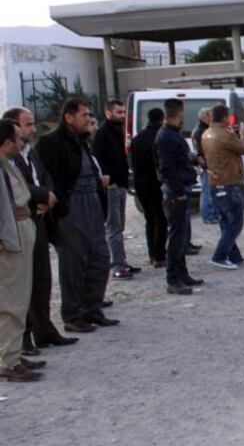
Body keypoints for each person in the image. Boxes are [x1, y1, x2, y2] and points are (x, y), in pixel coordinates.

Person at [36, 99, 118, 332]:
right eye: (84, 115)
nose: (88, 119)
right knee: (74, 262)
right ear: (69, 118)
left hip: (91, 204)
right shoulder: (50, 142)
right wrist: (61, 205)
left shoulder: (81, 142)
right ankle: (72, 315)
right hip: (71, 209)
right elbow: (50, 177)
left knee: (99, 258)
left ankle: (93, 308)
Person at [1, 107, 76, 353]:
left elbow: (43, 176)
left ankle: (44, 330)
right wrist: (42, 195)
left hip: (38, 219)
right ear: (13, 127)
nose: (33, 129)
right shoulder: (7, 158)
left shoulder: (30, 152)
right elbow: (16, 187)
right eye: (28, 124)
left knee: (42, 278)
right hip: (20, 221)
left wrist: (49, 193)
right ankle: (22, 339)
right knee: (23, 284)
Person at [0, 120, 46, 382]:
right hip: (10, 236)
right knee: (11, 300)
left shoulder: (9, 164)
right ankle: (8, 361)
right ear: (7, 142)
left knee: (20, 295)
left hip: (20, 228)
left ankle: (13, 353)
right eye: (17, 138)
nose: (22, 142)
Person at [156, 98, 203, 295]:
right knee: (176, 238)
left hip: (181, 188)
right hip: (176, 192)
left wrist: (194, 159)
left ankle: (182, 274)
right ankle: (173, 279)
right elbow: (167, 168)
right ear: (179, 113)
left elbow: (180, 158)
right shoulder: (166, 136)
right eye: (183, 112)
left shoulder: (172, 134)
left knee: (182, 236)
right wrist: (177, 192)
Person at [91, 100, 139, 280]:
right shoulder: (102, 134)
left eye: (124, 112)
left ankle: (122, 261)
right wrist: (108, 181)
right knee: (114, 227)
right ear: (108, 113)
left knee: (120, 226)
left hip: (120, 184)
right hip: (111, 187)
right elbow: (98, 160)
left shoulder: (118, 132)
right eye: (119, 112)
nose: (123, 115)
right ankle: (117, 265)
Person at [202, 104, 244, 270]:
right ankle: (219, 255)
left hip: (216, 183)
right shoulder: (223, 134)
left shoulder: (206, 133)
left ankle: (233, 255)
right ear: (224, 118)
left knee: (225, 221)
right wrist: (243, 135)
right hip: (229, 183)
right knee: (235, 222)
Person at [131, 107, 168, 268]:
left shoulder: (138, 138)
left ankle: (152, 254)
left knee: (149, 219)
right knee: (160, 218)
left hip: (140, 182)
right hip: (155, 183)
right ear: (162, 118)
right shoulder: (160, 136)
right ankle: (160, 255)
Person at [192, 107, 219, 225]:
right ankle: (207, 215)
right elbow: (200, 150)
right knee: (206, 190)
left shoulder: (204, 129)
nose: (211, 118)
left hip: (209, 163)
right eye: (209, 116)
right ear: (204, 117)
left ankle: (211, 213)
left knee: (210, 190)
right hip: (206, 165)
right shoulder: (199, 131)